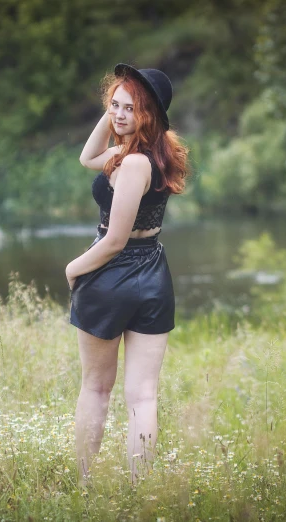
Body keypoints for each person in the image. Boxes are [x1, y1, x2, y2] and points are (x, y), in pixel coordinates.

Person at [65, 63, 189, 484]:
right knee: (143, 396)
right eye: (113, 106)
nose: (117, 115)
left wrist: (74, 267)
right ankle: (140, 490)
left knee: (97, 390)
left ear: (149, 113)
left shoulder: (132, 163)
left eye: (129, 108)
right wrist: (120, 106)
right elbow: (87, 158)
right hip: (153, 273)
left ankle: (83, 483)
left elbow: (116, 240)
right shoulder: (158, 152)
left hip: (112, 274)